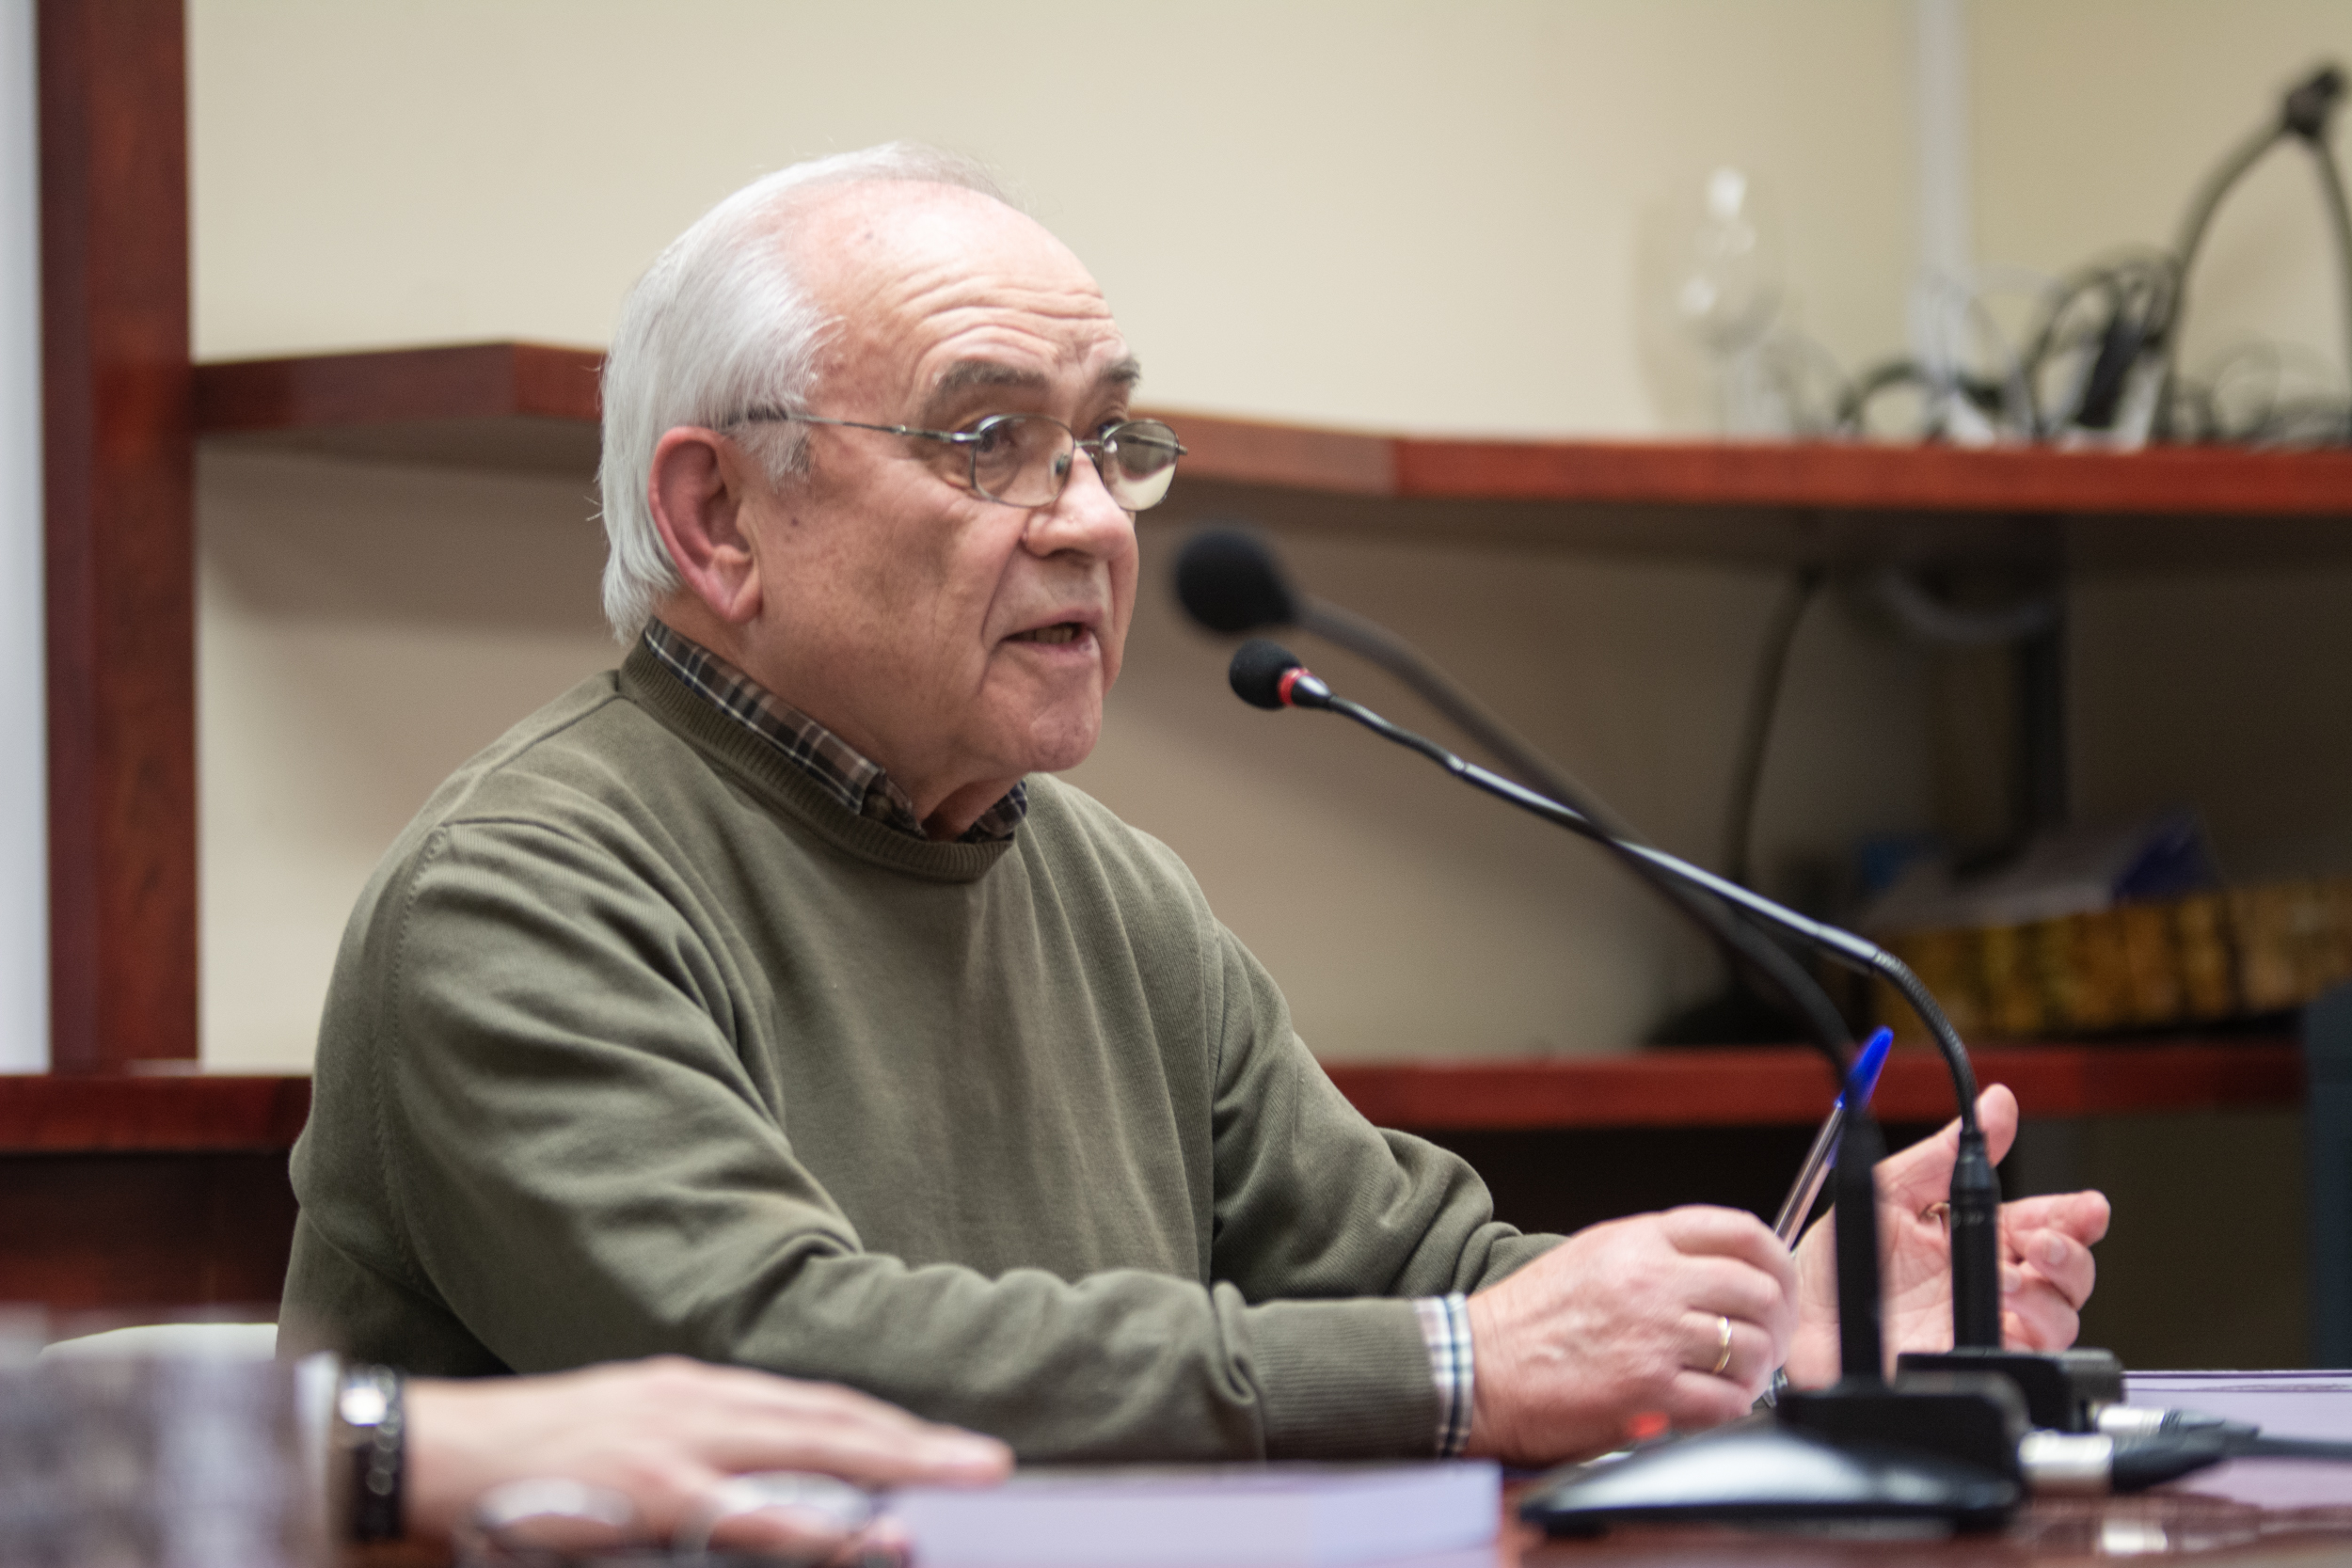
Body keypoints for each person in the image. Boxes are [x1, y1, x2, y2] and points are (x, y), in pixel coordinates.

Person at [280, 143, 2108, 1466]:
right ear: (717, 519)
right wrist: (1460, 1369)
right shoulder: (517, 896)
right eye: (987, 440)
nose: (1088, 518)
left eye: (1108, 442)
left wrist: (1767, 1321)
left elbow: (1422, 1273)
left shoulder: (1107, 891)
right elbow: (781, 1362)